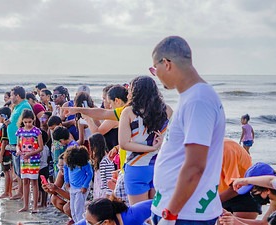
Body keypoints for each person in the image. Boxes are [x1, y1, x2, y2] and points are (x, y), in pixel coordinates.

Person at [150, 36, 226, 225]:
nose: (155, 74)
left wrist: (170, 214)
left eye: (154, 68)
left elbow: (195, 165)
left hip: (186, 214)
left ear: (166, 64)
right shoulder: (191, 96)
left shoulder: (198, 100)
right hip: (178, 210)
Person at [118, 76, 169, 205]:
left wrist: (150, 148)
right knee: (155, 213)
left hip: (137, 167)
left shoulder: (128, 112)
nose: (128, 92)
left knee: (140, 214)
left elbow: (124, 144)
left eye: (130, 89)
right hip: (158, 165)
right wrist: (157, 147)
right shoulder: (167, 110)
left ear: (135, 92)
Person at [219, 138, 260, 219]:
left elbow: (237, 186)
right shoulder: (197, 152)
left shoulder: (226, 148)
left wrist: (212, 203)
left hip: (244, 192)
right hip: (223, 193)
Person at [6, 86, 32, 200]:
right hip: (13, 140)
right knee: (17, 168)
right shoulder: (16, 107)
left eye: (12, 95)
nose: (11, 97)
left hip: (21, 141)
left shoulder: (25, 106)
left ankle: (22, 192)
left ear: (17, 95)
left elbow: (27, 123)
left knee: (20, 168)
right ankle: (20, 191)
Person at [15, 109, 44, 213]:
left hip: (34, 160)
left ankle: (35, 206)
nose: (27, 124)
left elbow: (41, 147)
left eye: (30, 122)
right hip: (24, 160)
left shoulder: (37, 131)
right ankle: (26, 205)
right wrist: (18, 151)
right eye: (25, 122)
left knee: (34, 182)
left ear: (33, 120)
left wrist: (30, 154)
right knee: (25, 182)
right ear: (22, 121)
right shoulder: (20, 131)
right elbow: (18, 145)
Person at [63, 145, 93, 223]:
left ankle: (81, 223)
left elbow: (90, 174)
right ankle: (77, 222)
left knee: (78, 209)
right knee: (72, 209)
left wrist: (85, 186)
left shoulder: (84, 164)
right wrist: (66, 181)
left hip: (81, 189)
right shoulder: (69, 163)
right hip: (72, 188)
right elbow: (65, 169)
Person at [75, 198, 152, 225]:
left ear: (105, 222)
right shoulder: (92, 219)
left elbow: (157, 201)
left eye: (90, 223)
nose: (86, 223)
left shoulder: (132, 216)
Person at [89, 133, 114, 199]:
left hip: (104, 196)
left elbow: (108, 180)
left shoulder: (105, 161)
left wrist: (108, 197)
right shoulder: (99, 161)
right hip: (98, 194)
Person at [0, 106, 13, 199]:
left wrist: (1, 155)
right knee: (8, 172)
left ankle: (7, 192)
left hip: (5, 153)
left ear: (3, 116)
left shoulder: (4, 127)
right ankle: (9, 191)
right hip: (7, 153)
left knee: (7, 172)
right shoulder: (7, 126)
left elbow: (4, 142)